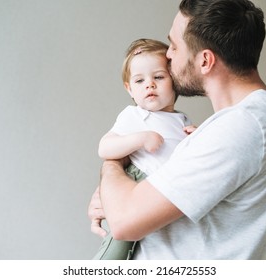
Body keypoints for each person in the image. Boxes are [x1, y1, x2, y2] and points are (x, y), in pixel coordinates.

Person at [89, 0, 266, 260]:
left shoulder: (241, 127)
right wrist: (114, 195)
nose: (169, 55)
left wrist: (112, 166)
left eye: (174, 45)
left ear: (205, 60)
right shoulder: (237, 123)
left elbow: (124, 222)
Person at [93, 38, 195, 260]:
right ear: (129, 89)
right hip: (137, 181)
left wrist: (195, 136)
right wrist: (140, 139)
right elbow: (105, 147)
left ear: (174, 81)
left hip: (162, 193)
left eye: (158, 77)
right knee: (117, 249)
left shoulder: (182, 119)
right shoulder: (135, 115)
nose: (150, 84)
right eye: (139, 81)